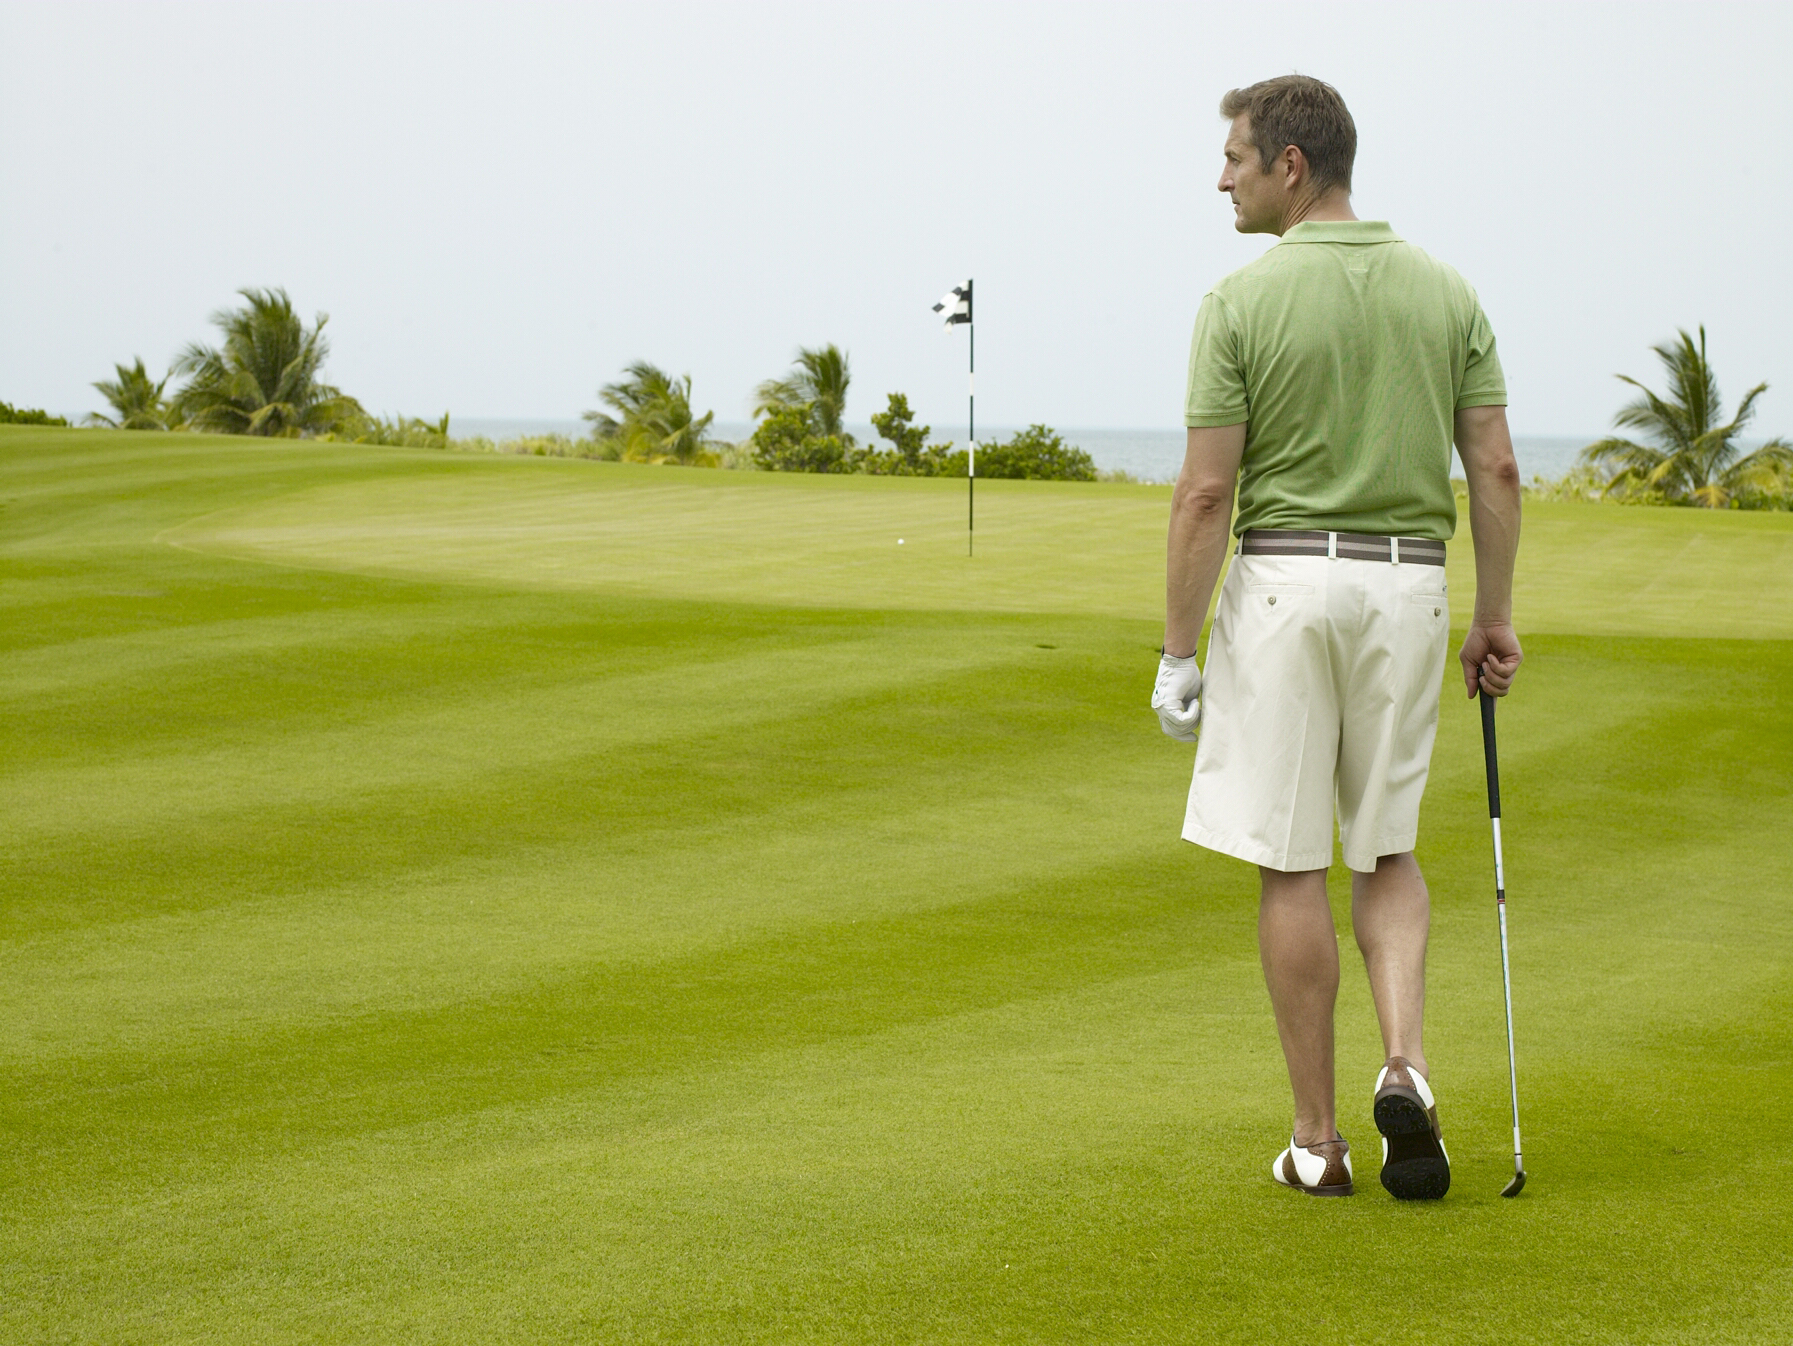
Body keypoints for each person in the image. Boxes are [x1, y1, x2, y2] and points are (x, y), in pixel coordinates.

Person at [1151, 75, 1523, 1200]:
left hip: (1280, 587)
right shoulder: (1446, 290)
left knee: (1289, 859)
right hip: (1406, 588)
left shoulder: (1236, 301)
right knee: (1390, 845)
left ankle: (1316, 1141)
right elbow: (1495, 469)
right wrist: (1494, 614)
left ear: (1290, 165)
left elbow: (1204, 496)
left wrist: (1176, 652)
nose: (1219, 177)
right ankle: (1402, 1060)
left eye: (1233, 157)